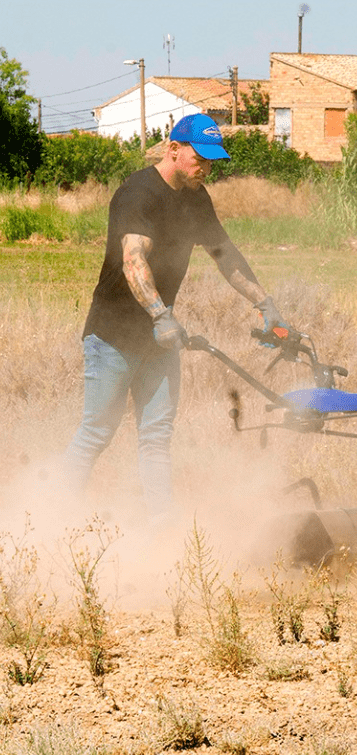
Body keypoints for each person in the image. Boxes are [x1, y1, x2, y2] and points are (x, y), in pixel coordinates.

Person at [63, 113, 289, 528]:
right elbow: (134, 258)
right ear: (173, 150)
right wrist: (160, 314)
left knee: (156, 437)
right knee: (96, 434)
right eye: (199, 158)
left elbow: (225, 255)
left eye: (212, 161)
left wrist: (264, 301)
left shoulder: (196, 198)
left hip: (159, 340)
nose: (206, 168)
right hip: (113, 335)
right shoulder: (138, 193)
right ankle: (52, 516)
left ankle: (161, 528)